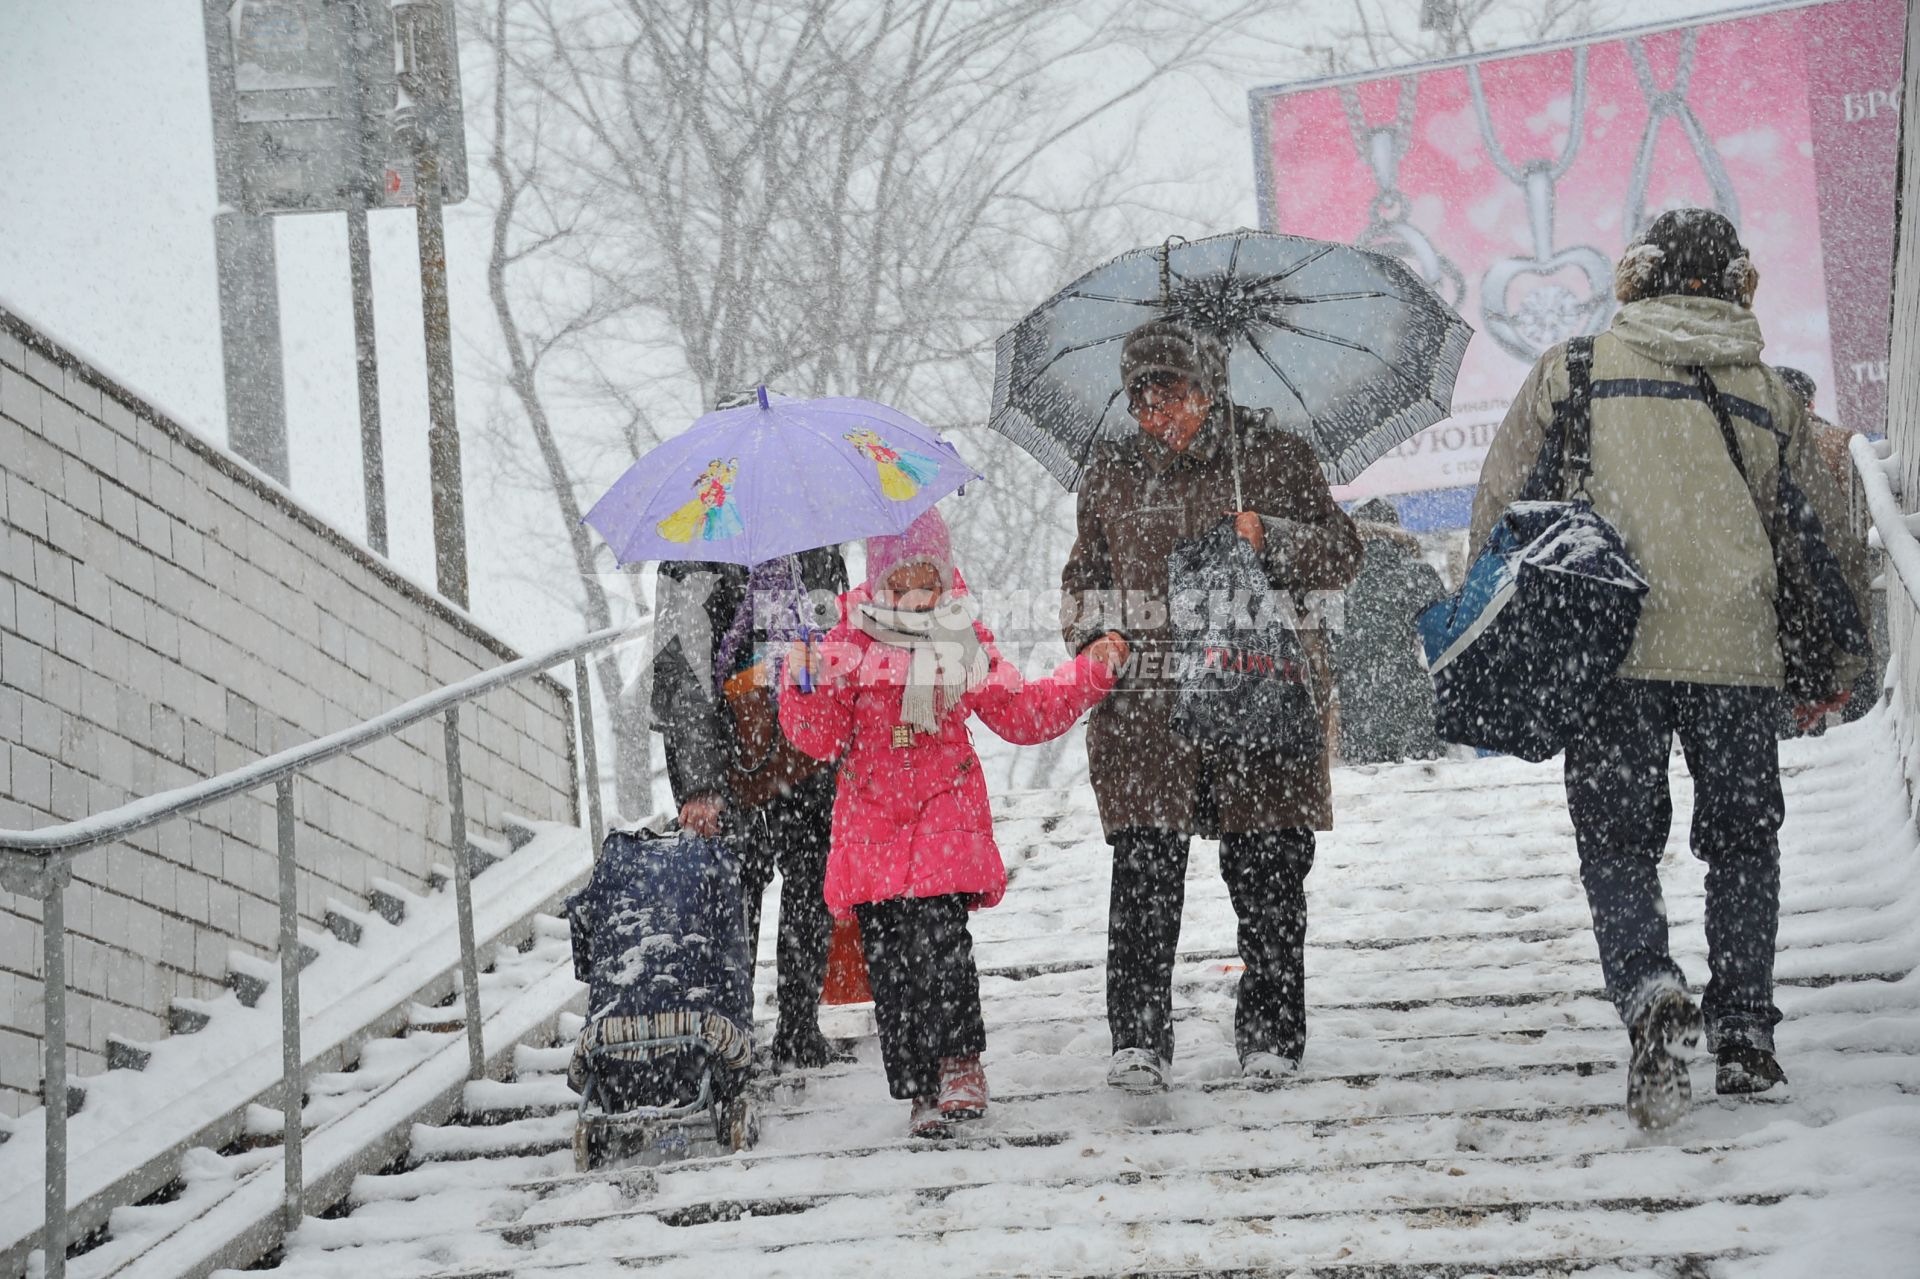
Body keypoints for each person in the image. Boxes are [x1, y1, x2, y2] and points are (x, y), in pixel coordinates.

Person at [1471, 209, 1870, 1129]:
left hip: (1612, 643)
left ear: (1636, 278)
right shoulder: (1770, 392)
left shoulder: (1574, 369)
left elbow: (1502, 502)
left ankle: (1650, 987)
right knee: (1741, 840)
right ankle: (1744, 1035)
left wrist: (1494, 617)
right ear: (1739, 283)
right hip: (1737, 651)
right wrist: (1832, 656)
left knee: (1616, 840)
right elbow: (1817, 537)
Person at [1060, 318, 1363, 1091]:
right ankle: (1138, 1038)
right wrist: (1096, 635)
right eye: (1142, 401)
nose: (1158, 416)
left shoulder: (1272, 453)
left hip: (1258, 697)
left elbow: (1344, 554)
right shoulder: (1111, 474)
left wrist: (1275, 538)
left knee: (1269, 873)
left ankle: (1271, 1029)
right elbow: (1082, 582)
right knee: (1145, 876)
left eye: (1173, 395)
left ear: (1208, 387)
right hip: (1148, 711)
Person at [779, 509, 1126, 1136]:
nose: (914, 595)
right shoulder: (844, 644)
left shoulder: (962, 640)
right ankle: (916, 1087)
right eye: (900, 582)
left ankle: (961, 1065)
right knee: (891, 965)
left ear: (945, 581)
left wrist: (1091, 671)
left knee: (943, 950)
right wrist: (803, 681)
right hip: (874, 824)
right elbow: (819, 738)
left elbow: (1023, 713)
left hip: (944, 815)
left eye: (927, 581)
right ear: (878, 580)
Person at [650, 542, 852, 1070]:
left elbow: (841, 638)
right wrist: (698, 784)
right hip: (725, 752)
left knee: (811, 879)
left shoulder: (813, 537)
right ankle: (729, 1033)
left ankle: (798, 1027)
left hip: (805, 743)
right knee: (732, 887)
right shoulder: (692, 544)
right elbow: (681, 672)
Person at [1774, 366, 1882, 726]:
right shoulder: (1842, 441)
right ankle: (1859, 723)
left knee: (1794, 659)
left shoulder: (1764, 440)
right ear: (1811, 401)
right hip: (1835, 567)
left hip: (1785, 574)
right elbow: (1862, 519)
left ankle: (1799, 727)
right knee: (1853, 656)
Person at [1334, 497, 1446, 764]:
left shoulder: (1337, 580)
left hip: (1359, 720)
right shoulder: (1418, 574)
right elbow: (1443, 642)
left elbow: (1329, 654)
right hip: (1416, 714)